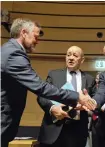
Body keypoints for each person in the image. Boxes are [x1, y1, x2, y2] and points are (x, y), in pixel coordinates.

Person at [1, 18, 95, 147]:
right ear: (23, 33)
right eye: (35, 36)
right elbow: (40, 88)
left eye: (75, 55)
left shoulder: (9, 50)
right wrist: (77, 96)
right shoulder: (14, 54)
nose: (37, 41)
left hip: (77, 133)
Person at [37, 46, 96, 147]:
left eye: (75, 55)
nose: (71, 58)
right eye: (68, 55)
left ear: (82, 60)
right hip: (54, 128)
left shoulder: (89, 79)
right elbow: (42, 96)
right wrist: (52, 108)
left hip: (78, 131)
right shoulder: (54, 75)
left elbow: (95, 101)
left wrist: (87, 105)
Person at [91, 72, 105, 147]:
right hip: (95, 121)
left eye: (101, 79)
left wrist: (103, 109)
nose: (99, 80)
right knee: (96, 143)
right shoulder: (93, 89)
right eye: (97, 78)